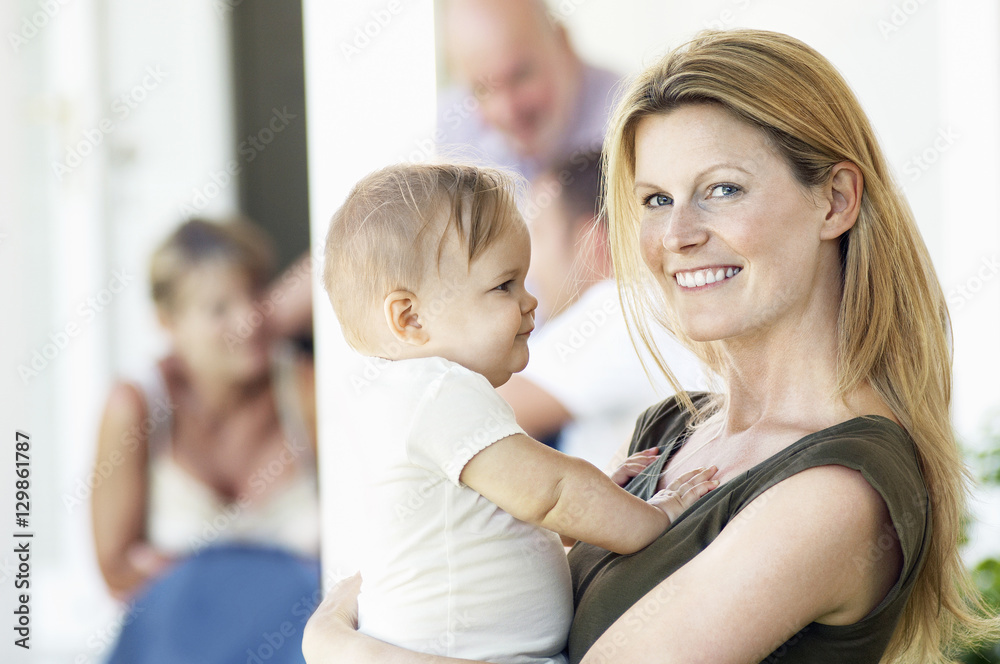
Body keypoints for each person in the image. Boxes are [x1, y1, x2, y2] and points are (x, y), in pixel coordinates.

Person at [302, 29, 1000, 663]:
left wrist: (334, 643)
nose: (677, 236)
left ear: (836, 200)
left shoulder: (835, 492)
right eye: (656, 200)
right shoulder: (672, 430)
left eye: (721, 190)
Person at [320, 162, 718, 662]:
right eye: (504, 285)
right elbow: (552, 493)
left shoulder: (412, 395)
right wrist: (657, 516)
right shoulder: (438, 391)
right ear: (411, 317)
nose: (530, 301)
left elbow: (518, 508)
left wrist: (601, 495)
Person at [92, 217, 320, 599]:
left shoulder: (303, 390)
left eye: (256, 293)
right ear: (167, 321)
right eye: (218, 309)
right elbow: (117, 570)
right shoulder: (135, 408)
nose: (248, 320)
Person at [499, 151, 706, 469]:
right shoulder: (669, 306)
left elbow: (472, 415)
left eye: (536, 235)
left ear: (589, 243)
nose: (528, 268)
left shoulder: (622, 308)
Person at [437, 0, 621, 181]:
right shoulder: (451, 138)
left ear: (563, 44)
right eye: (482, 90)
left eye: (520, 76)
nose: (508, 110)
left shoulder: (626, 123)